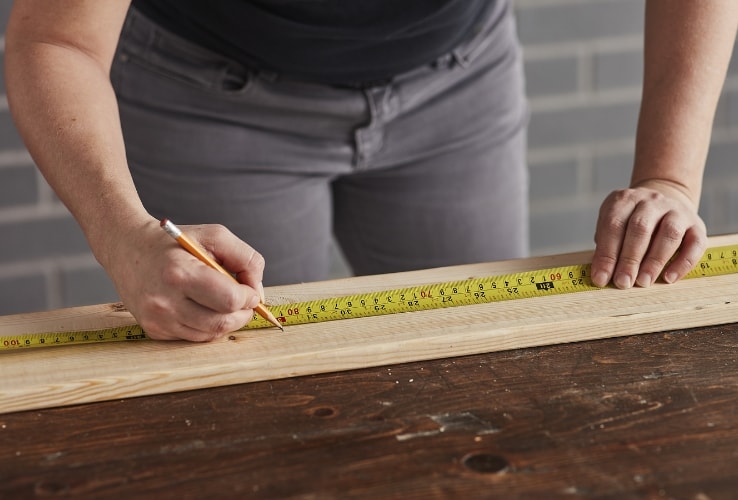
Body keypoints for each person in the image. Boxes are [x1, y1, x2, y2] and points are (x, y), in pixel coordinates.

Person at [4, 1, 736, 342]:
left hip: (458, 80)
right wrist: (124, 236)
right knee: (245, 389)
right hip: (207, 101)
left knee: (475, 364)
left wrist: (670, 178)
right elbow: (53, 39)